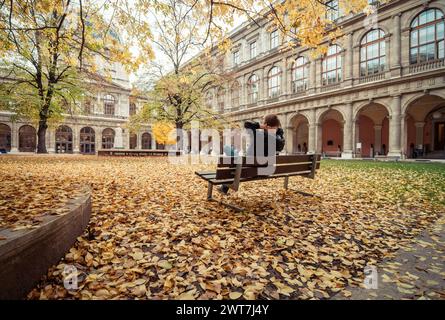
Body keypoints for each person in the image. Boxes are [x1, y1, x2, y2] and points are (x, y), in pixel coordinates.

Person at [219, 114, 285, 194]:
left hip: (248, 170)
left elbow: (247, 124)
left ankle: (223, 188)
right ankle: (223, 188)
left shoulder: (259, 135)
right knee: (237, 160)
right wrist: (276, 130)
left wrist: (260, 126)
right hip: (266, 171)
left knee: (227, 149)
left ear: (266, 125)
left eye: (264, 122)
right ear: (277, 126)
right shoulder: (280, 140)